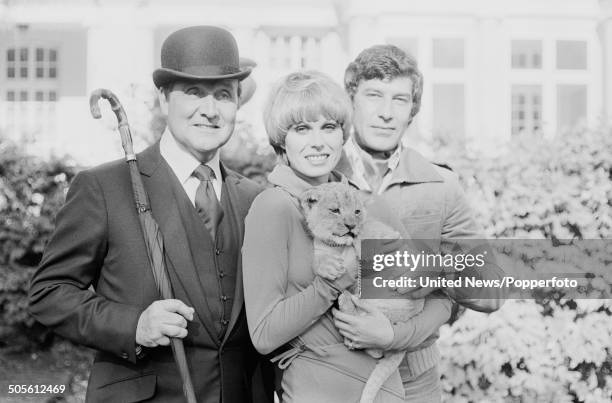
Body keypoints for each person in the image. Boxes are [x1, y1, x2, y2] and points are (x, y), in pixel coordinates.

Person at [29, 26, 273, 403]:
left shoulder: (257, 199)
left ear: (238, 104)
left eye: (223, 95)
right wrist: (135, 325)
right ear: (163, 100)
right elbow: (50, 293)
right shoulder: (104, 187)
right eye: (194, 92)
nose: (210, 110)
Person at [242, 70, 453, 402]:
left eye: (329, 127)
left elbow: (441, 297)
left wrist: (393, 335)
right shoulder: (274, 207)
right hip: (321, 389)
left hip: (389, 389)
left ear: (343, 135)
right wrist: (334, 281)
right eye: (301, 128)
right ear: (282, 139)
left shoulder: (365, 203)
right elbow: (264, 334)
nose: (317, 141)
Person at [330, 44, 506, 402]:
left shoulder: (440, 185)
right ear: (351, 99)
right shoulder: (321, 175)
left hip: (414, 381)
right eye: (373, 95)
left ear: (413, 110)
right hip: (331, 374)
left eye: (399, 99)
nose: (385, 113)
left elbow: (491, 292)